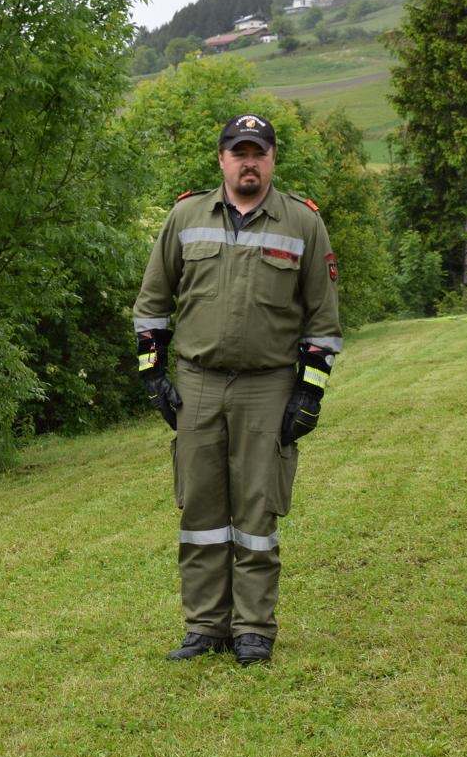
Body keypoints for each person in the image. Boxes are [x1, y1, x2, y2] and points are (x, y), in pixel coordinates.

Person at [133, 113, 342, 666]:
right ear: (222, 159)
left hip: (267, 387)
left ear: (272, 159)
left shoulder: (303, 224)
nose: (249, 163)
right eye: (239, 152)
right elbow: (152, 303)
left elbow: (323, 321)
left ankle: (253, 630)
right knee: (200, 512)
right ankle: (205, 626)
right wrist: (153, 375)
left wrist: (310, 393)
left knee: (256, 515)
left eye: (259, 153)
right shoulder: (185, 217)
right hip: (197, 385)